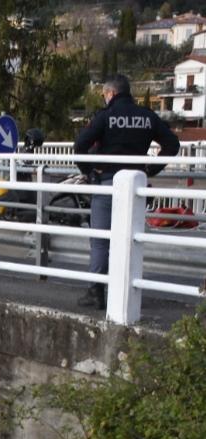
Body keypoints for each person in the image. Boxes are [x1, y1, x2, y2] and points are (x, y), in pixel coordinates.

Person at [73, 74, 180, 309]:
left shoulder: (105, 116)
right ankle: (129, 290)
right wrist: (151, 169)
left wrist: (90, 172)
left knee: (101, 239)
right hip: (136, 187)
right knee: (132, 239)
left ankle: (96, 292)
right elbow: (173, 144)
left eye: (104, 95)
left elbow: (80, 145)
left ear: (110, 93)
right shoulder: (147, 116)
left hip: (108, 183)